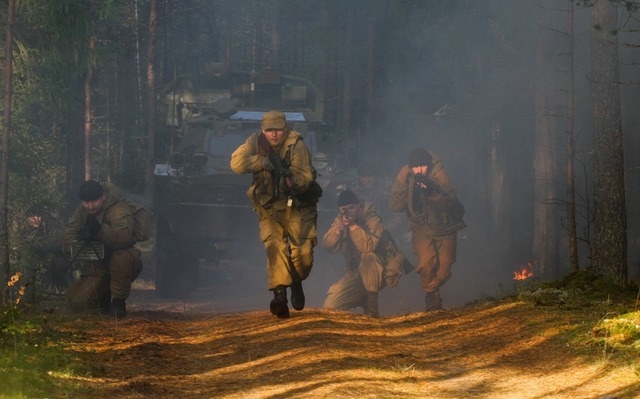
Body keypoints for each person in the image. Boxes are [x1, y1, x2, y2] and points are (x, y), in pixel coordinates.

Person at [230, 110, 322, 319]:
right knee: (274, 247)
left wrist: (294, 183)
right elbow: (236, 163)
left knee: (303, 256)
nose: (273, 135)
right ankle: (280, 297)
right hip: (269, 207)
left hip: (298, 206)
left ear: (285, 128)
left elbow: (306, 176)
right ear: (263, 130)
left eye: (278, 130)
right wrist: (263, 163)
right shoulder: (256, 141)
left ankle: (296, 281)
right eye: (269, 130)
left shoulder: (297, 145)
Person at [389, 148, 466, 311]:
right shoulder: (406, 174)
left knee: (445, 268)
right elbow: (395, 205)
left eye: (422, 167)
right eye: (415, 168)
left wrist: (431, 193)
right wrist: (412, 191)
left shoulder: (439, 174)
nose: (419, 171)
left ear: (429, 165)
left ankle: (432, 288)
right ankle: (432, 294)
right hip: (420, 227)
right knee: (426, 262)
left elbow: (452, 203)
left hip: (445, 227)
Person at [322, 190, 412, 317]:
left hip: (383, 271)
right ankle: (363, 299)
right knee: (330, 305)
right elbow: (328, 246)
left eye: (351, 208)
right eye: (344, 209)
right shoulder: (340, 219)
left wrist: (353, 227)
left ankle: (372, 307)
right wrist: (338, 230)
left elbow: (368, 246)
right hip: (357, 273)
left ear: (359, 206)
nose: (348, 212)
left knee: (368, 256)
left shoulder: (372, 218)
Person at [63, 180, 143, 317]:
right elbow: (69, 235)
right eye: (86, 202)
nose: (90, 206)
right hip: (96, 266)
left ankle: (118, 301)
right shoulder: (82, 212)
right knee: (75, 303)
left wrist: (99, 230)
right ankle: (103, 300)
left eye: (94, 201)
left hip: (120, 263)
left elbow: (122, 239)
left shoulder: (118, 209)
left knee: (120, 257)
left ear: (103, 196)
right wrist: (80, 242)